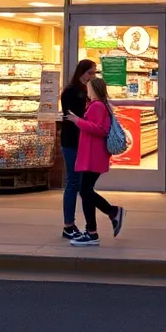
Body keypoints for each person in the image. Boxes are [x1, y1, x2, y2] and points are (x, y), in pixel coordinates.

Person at [65, 76, 125, 247]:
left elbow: (101, 129)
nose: (86, 90)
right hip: (91, 154)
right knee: (85, 191)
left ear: (95, 89)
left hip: (94, 154)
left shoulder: (98, 106)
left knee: (85, 191)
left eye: (89, 87)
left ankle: (112, 212)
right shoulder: (97, 105)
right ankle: (92, 231)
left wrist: (78, 121)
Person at [59, 60, 96, 239]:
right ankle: (68, 224)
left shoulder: (86, 91)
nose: (92, 77)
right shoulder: (72, 91)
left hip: (82, 141)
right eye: (90, 73)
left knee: (80, 183)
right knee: (73, 182)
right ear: (81, 72)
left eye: (94, 74)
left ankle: (75, 224)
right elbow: (71, 117)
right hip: (72, 141)